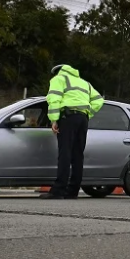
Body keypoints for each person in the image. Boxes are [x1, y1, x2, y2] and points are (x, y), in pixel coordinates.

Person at [42, 64, 104, 199]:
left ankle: (58, 191)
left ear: (58, 72)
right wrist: (88, 114)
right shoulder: (84, 83)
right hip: (82, 120)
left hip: (68, 118)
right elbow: (99, 100)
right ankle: (73, 191)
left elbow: (54, 99)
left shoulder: (59, 79)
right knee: (77, 155)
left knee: (65, 153)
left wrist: (54, 119)